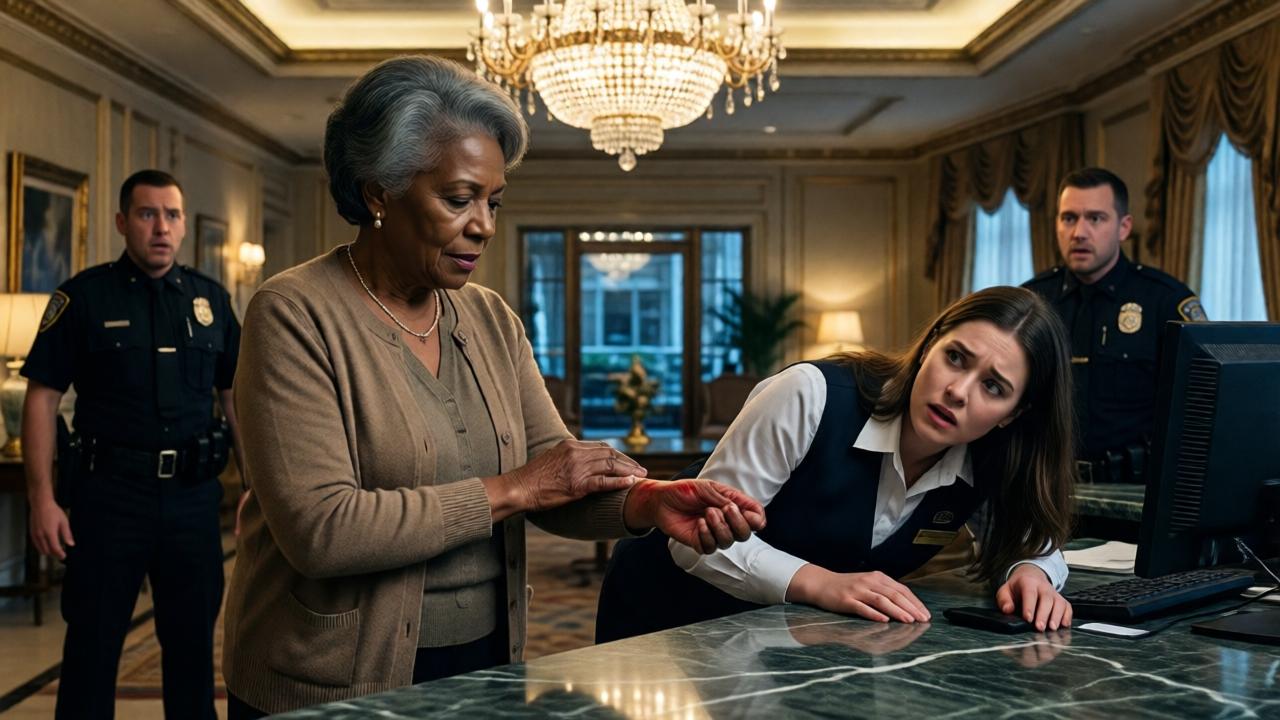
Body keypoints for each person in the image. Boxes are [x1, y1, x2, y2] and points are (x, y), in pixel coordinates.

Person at [220, 55, 766, 718]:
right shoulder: (294, 311)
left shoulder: (489, 318)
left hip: (483, 661)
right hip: (332, 676)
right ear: (378, 193)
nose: (482, 223)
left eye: (493, 201)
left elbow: (554, 476)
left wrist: (649, 503)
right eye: (458, 199)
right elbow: (321, 531)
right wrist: (514, 488)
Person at [597, 286, 1077, 642]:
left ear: (1013, 415)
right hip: (665, 625)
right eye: (955, 357)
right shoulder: (810, 394)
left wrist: (1031, 573)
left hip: (793, 645)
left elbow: (1035, 541)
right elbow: (695, 546)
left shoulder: (989, 454)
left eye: (993, 386)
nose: (958, 391)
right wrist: (821, 583)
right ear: (930, 342)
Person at [23, 169, 244, 720]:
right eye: (148, 214)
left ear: (184, 225)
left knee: (194, 656)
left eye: (171, 215)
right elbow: (42, 398)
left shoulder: (210, 301)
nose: (161, 228)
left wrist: (258, 482)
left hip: (193, 503)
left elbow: (237, 397)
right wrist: (42, 500)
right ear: (123, 222)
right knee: (91, 656)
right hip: (108, 500)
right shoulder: (83, 297)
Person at [1023, 167, 1206, 484]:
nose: (1079, 232)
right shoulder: (1032, 300)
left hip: (1135, 488)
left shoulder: (1164, 300)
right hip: (1047, 485)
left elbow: (1200, 405)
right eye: (1068, 218)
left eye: (1095, 218)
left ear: (1124, 227)